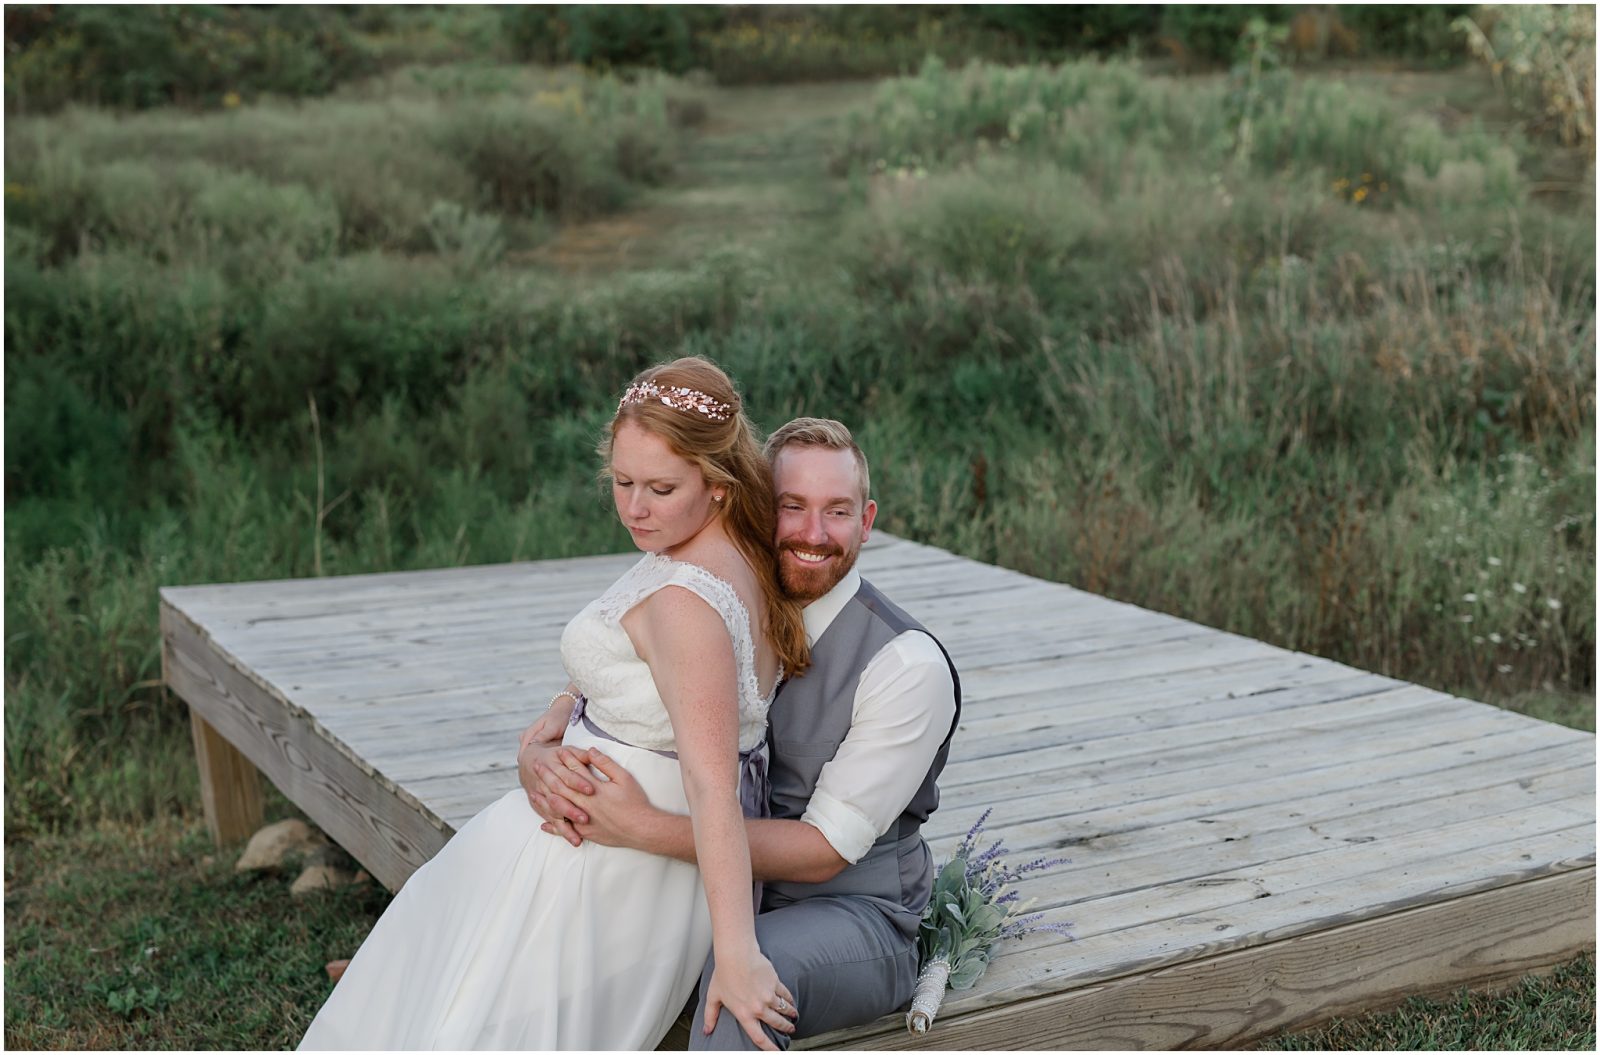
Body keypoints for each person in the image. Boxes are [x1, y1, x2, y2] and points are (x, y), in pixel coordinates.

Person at [299, 357, 811, 1051]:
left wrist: (738, 953)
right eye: (623, 482)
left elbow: (712, 784)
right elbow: (667, 682)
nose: (635, 507)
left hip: (618, 865)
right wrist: (564, 711)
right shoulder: (722, 549)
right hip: (606, 830)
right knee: (448, 909)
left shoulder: (689, 602)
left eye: (661, 487)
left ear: (718, 485)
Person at [522, 418, 961, 1050]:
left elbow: (824, 851)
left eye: (836, 512)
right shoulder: (727, 597)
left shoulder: (905, 665)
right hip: (714, 885)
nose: (813, 533)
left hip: (848, 914)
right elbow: (626, 673)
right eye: (792, 507)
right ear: (757, 507)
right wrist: (548, 744)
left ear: (866, 522)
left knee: (741, 990)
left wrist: (638, 826)